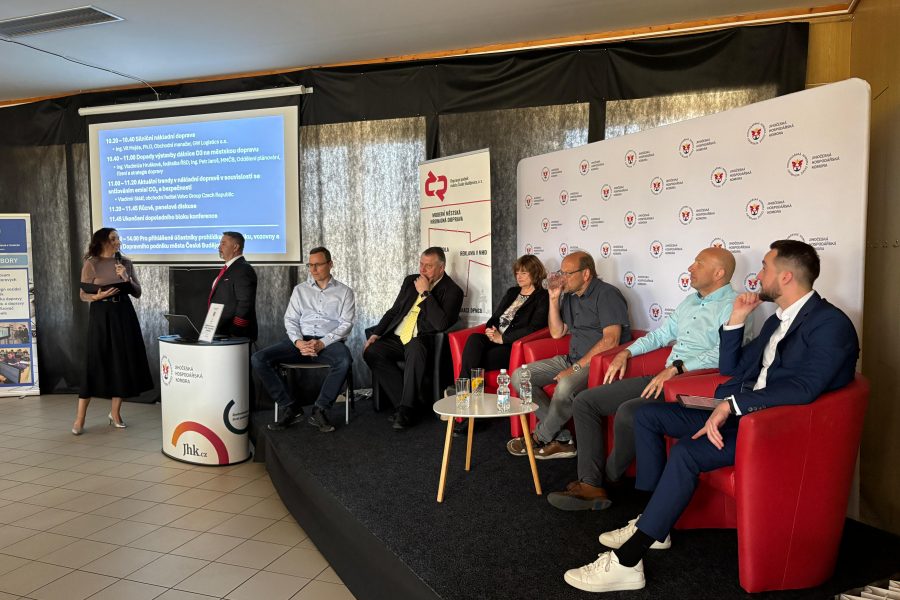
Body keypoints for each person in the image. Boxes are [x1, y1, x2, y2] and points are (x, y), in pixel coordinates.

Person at [563, 240, 860, 593]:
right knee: (649, 416)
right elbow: (733, 368)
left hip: (771, 428)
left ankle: (629, 561)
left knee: (688, 451)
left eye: (764, 267)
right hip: (742, 415)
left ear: (785, 277)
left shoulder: (830, 324)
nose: (758, 275)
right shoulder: (775, 321)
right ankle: (654, 521)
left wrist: (732, 405)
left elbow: (805, 388)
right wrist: (736, 321)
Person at [548, 247, 749, 510]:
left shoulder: (736, 306)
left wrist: (677, 368)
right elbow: (660, 335)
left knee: (628, 411)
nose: (690, 268)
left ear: (719, 273)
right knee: (585, 402)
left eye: (698, 263)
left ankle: (607, 477)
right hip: (662, 378)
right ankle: (591, 483)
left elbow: (725, 354)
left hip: (692, 384)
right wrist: (626, 352)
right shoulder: (690, 301)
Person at [507, 251, 630, 459]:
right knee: (520, 376)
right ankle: (563, 439)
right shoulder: (571, 296)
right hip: (571, 358)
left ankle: (540, 437)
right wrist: (554, 299)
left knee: (564, 386)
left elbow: (611, 340)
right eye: (561, 272)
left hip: (597, 365)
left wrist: (574, 368)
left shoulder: (607, 294)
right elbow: (557, 332)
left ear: (586, 274)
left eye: (567, 273)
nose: (562, 278)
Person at [253, 247, 355, 433]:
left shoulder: (345, 292)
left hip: (328, 343)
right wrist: (298, 342)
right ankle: (290, 407)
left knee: (344, 360)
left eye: (318, 264)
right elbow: (290, 320)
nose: (313, 269)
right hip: (300, 341)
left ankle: (320, 410)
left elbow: (346, 324)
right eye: (310, 265)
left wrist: (322, 343)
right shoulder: (300, 290)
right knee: (259, 359)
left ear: (330, 264)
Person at [363, 247, 464, 430]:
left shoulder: (453, 291)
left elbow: (441, 324)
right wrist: (376, 334)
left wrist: (425, 293)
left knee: (416, 347)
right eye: (421, 264)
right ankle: (404, 406)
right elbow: (394, 311)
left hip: (422, 339)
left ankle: (405, 410)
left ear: (441, 268)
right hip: (398, 336)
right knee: (372, 351)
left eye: (429, 266)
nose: (422, 270)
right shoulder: (410, 281)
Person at [453, 254, 550, 435]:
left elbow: (535, 328)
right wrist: (490, 330)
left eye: (524, 273)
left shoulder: (542, 297)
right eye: (517, 273)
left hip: (512, 346)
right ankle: (469, 404)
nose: (519, 276)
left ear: (535, 273)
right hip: (494, 339)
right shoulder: (512, 292)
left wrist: (503, 339)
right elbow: (495, 317)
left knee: (476, 362)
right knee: (474, 339)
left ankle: (469, 409)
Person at [72, 228, 153, 435]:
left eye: (118, 238)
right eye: (113, 238)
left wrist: (126, 278)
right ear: (102, 241)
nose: (118, 241)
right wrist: (97, 297)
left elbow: (137, 292)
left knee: (121, 362)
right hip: (101, 313)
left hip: (123, 313)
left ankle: (115, 414)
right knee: (94, 362)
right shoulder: (91, 263)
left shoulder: (125, 263)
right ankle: (80, 419)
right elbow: (82, 294)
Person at [210, 231, 258, 341]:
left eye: (223, 243)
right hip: (220, 332)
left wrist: (236, 331)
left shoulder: (243, 269)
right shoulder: (230, 268)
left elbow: (245, 303)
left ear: (235, 247)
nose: (219, 247)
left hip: (234, 336)